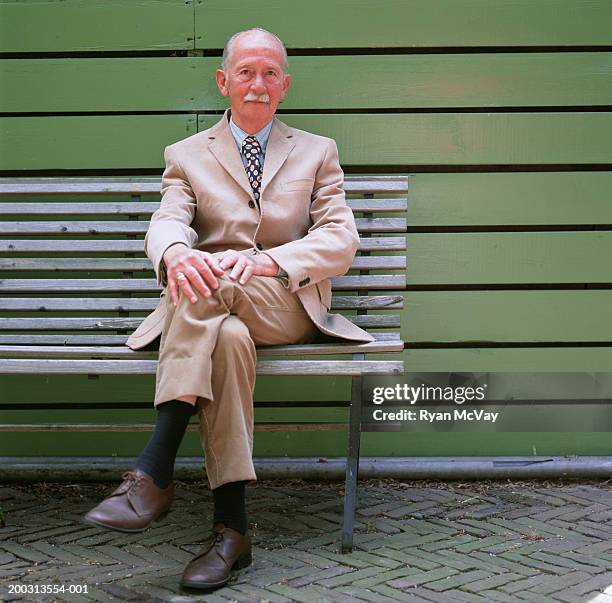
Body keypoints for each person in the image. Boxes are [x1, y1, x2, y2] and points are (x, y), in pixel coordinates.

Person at [82, 27, 373, 590]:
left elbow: (340, 238)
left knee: (205, 284)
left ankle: (154, 468)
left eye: (269, 74)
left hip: (285, 304)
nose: (257, 84)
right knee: (228, 337)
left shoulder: (317, 151)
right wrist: (173, 251)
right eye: (245, 72)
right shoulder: (187, 156)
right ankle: (231, 531)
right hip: (215, 312)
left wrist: (269, 262)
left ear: (284, 85)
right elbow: (169, 218)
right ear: (224, 82)